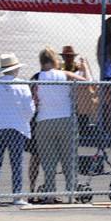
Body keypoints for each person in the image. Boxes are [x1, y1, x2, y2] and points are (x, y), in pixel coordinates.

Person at [34, 47, 91, 203]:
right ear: (54, 60)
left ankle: (50, 194)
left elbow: (34, 99)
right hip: (66, 119)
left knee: (48, 162)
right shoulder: (65, 74)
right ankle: (71, 193)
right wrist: (85, 68)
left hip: (44, 121)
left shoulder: (37, 77)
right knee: (69, 159)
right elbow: (87, 82)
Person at [0, 54, 35, 205]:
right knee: (16, 164)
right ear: (16, 69)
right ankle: (17, 196)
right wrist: (24, 120)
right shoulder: (22, 85)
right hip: (16, 128)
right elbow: (30, 109)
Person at [61, 46, 97, 136]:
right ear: (63, 57)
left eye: (70, 56)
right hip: (64, 96)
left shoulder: (79, 68)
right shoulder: (60, 68)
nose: (69, 58)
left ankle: (83, 132)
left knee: (82, 116)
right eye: (66, 56)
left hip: (78, 98)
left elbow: (89, 80)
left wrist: (85, 68)